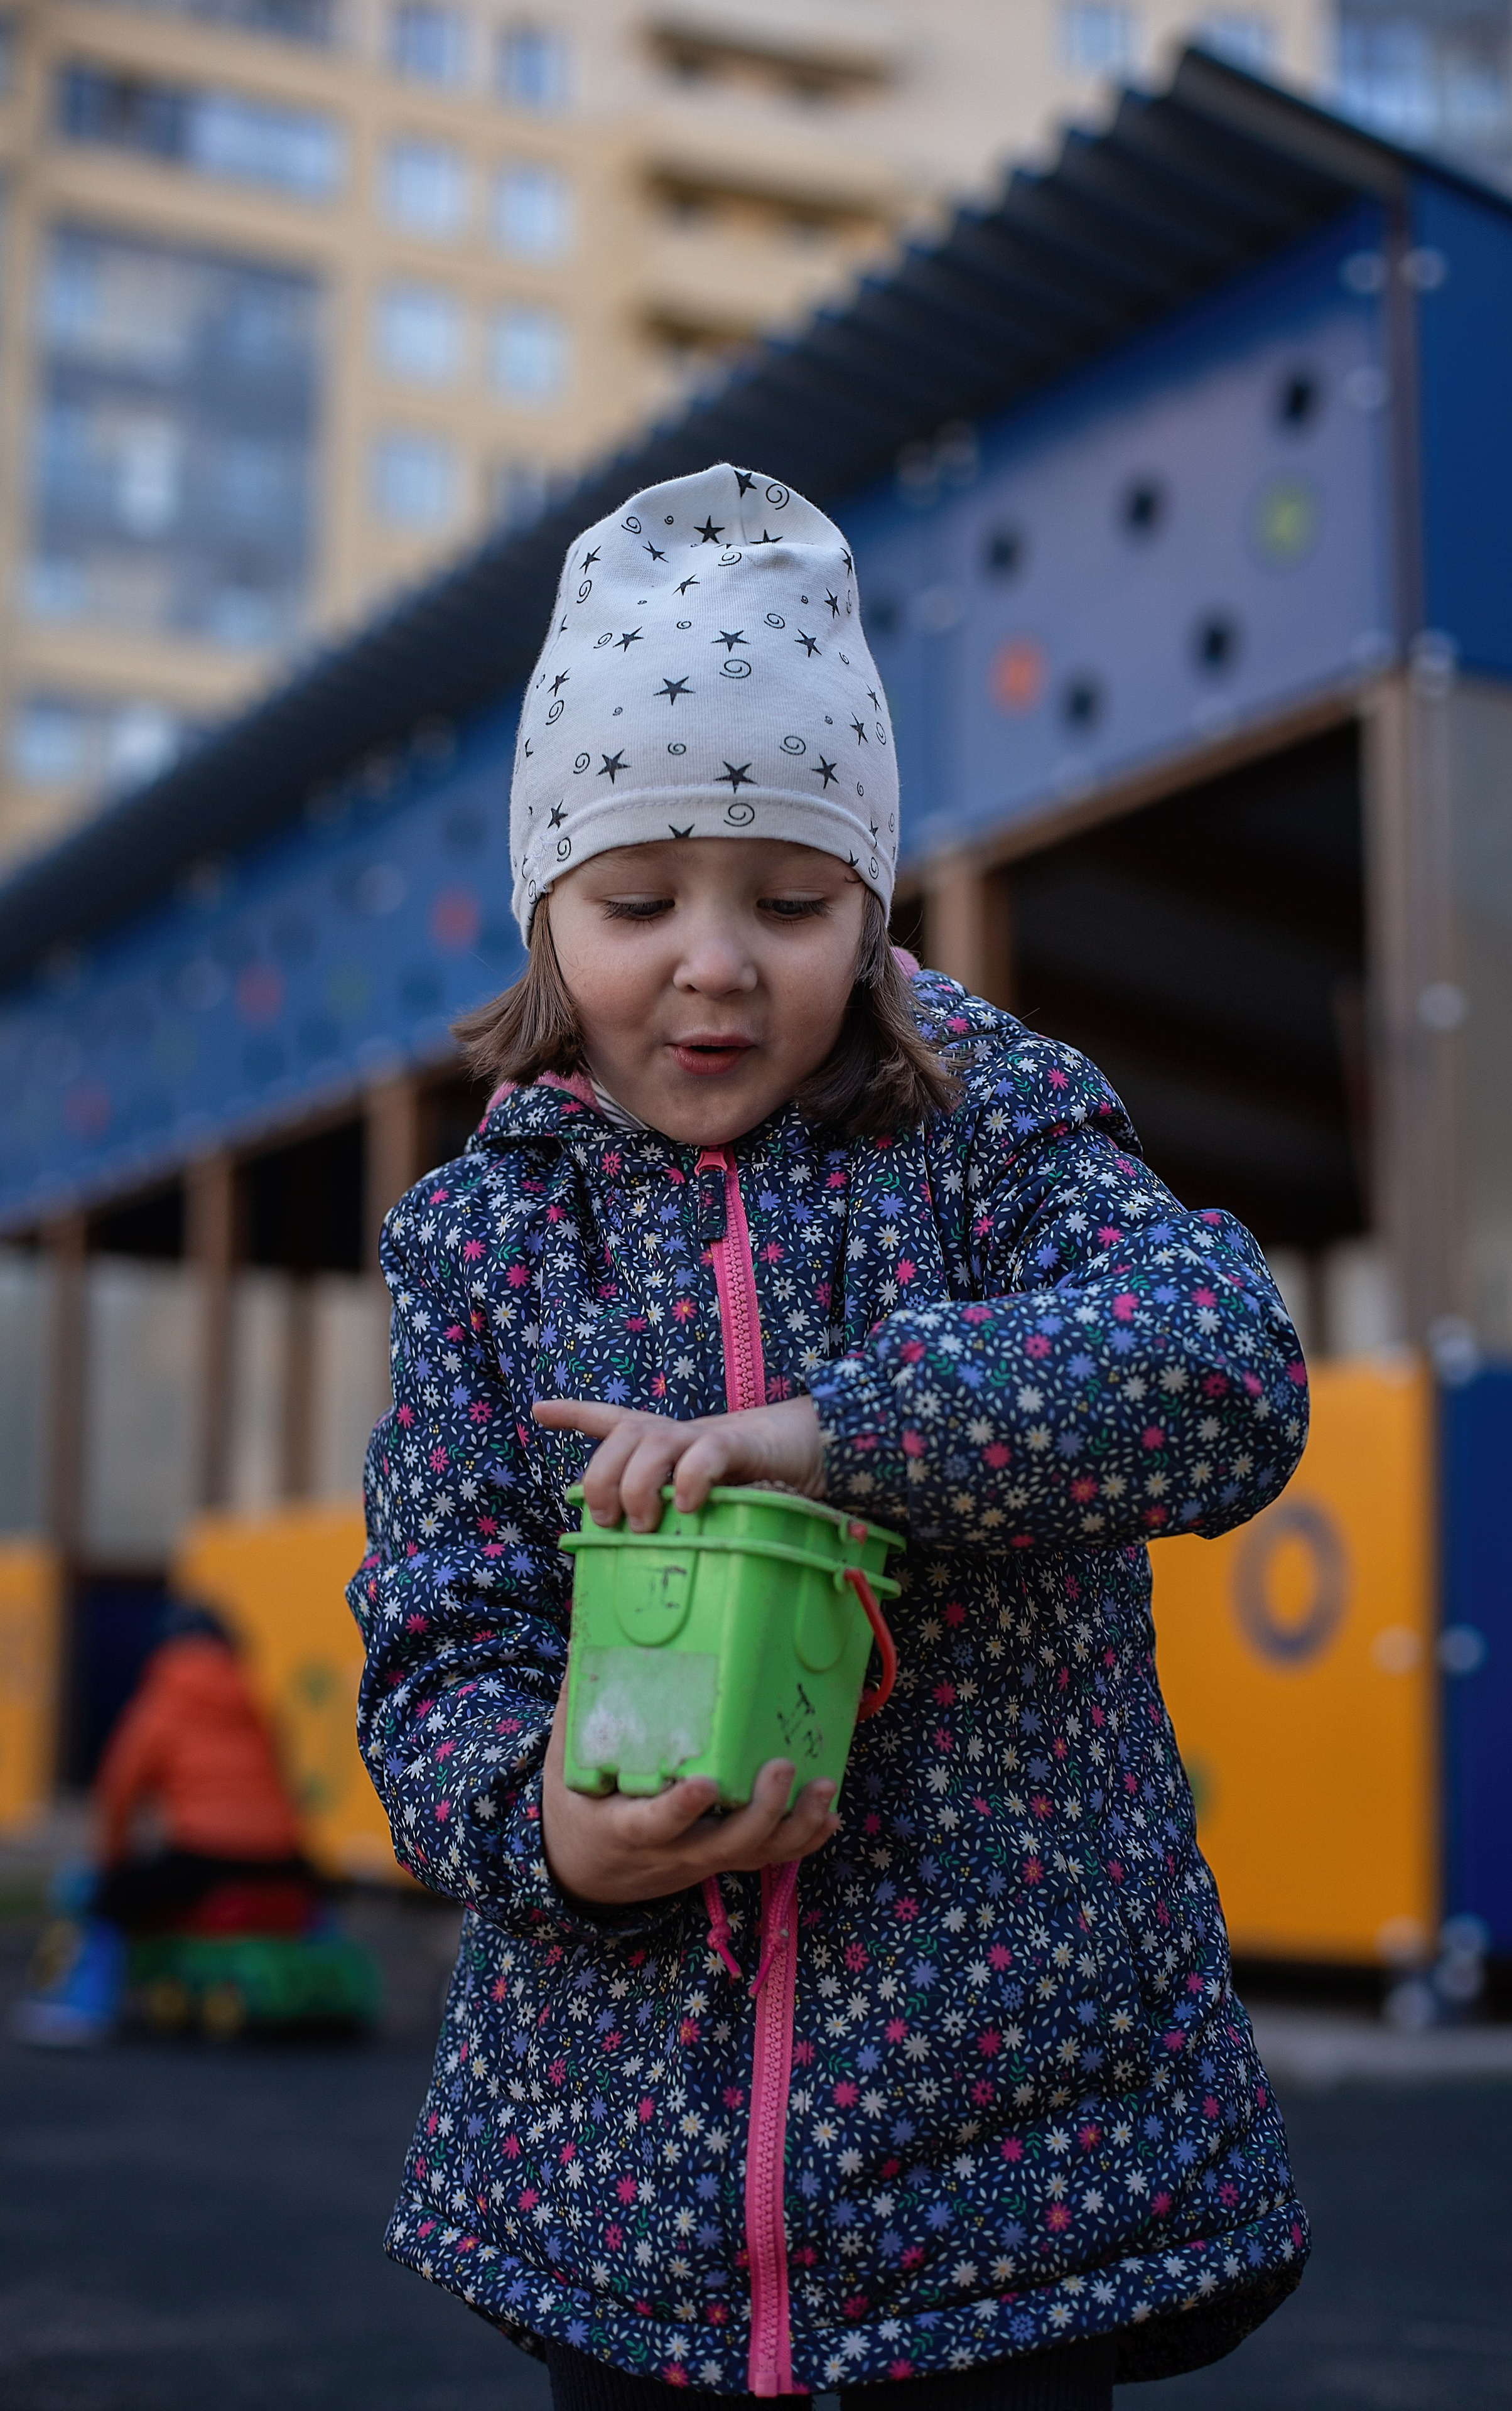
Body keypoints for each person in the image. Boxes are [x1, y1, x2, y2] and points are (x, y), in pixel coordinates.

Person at [348, 464, 1311, 2406]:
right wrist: (541, 1818)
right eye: (637, 898)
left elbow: (1221, 1362)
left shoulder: (986, 1134)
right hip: (618, 2185)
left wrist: (832, 1431)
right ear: (548, 897)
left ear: (870, 897)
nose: (713, 960)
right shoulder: (479, 1238)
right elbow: (437, 1629)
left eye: (788, 899)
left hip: (1003, 2168)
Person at [13, 1604, 315, 2046]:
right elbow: (282, 1784)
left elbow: (119, 1790)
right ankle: (317, 1984)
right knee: (307, 1905)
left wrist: (111, 1859)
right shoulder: (253, 1698)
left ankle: (83, 2009)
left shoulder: (162, 1702)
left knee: (111, 1898)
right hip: (284, 1858)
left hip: (204, 1854)